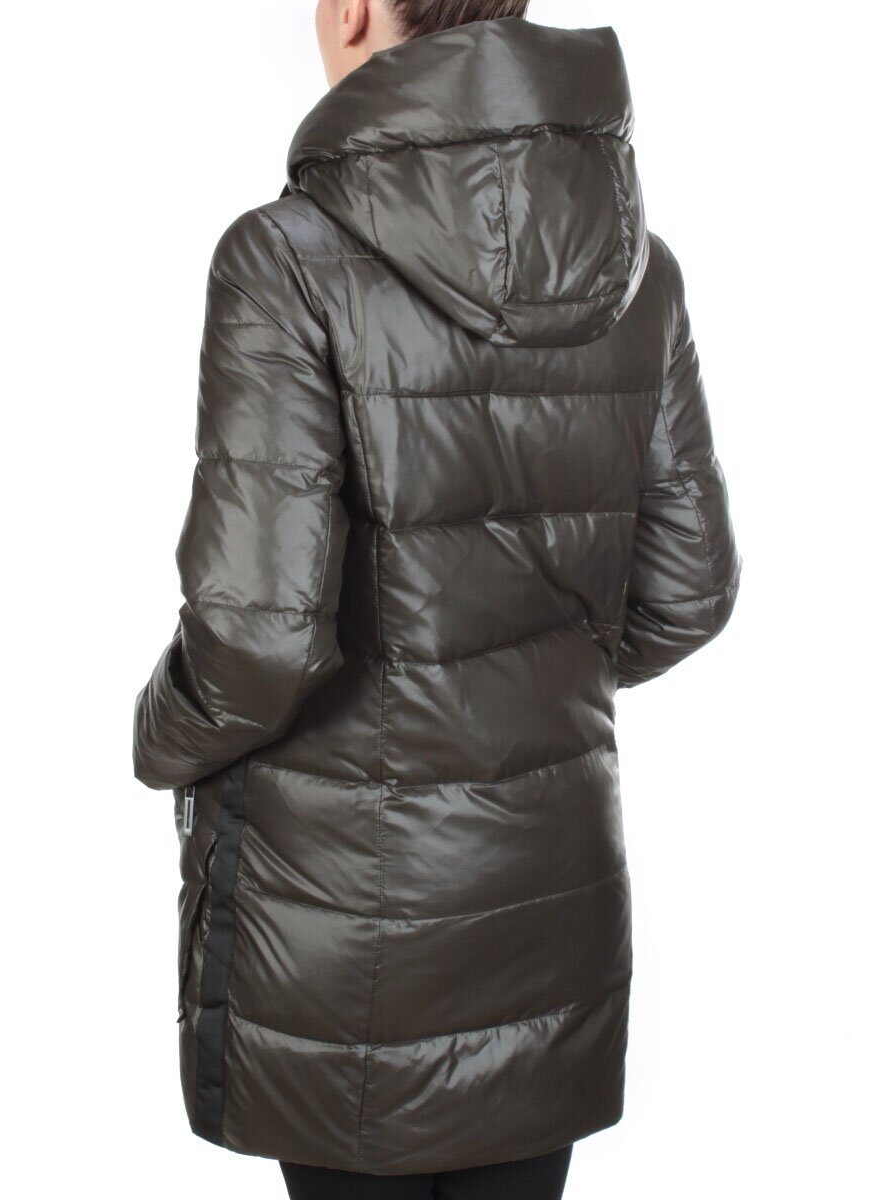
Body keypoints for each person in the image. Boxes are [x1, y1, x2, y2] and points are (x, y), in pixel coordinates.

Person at [133, 1, 740, 1196]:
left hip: (345, 931)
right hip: (547, 918)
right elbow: (690, 589)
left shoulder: (285, 260)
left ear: (356, 8)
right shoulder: (635, 267)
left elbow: (255, 642)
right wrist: (525, 683)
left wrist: (158, 736)